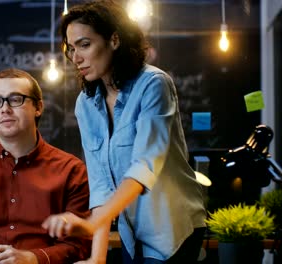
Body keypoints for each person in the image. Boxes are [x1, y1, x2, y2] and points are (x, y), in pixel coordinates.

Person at [42, 1, 206, 263]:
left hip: (172, 229)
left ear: (114, 40)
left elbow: (144, 166)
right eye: (71, 49)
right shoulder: (85, 103)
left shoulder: (154, 84)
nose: (76, 57)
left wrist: (92, 222)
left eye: (85, 44)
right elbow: (100, 184)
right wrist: (97, 257)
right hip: (132, 234)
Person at [0, 68, 91, 264]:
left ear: (38, 107)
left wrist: (33, 258)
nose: (5, 109)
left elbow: (79, 246)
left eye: (15, 99)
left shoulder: (71, 170)